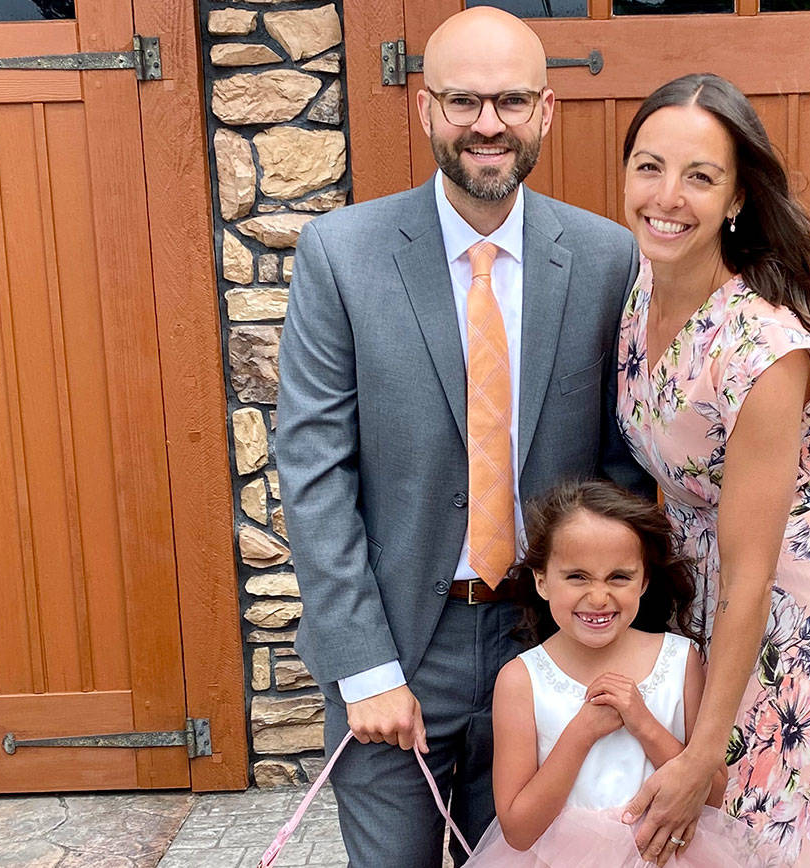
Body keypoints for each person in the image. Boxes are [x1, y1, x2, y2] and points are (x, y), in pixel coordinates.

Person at [275, 8, 649, 866]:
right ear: (425, 109)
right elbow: (313, 468)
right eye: (465, 101)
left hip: (544, 639)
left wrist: (605, 633)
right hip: (403, 642)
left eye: (512, 101)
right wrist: (363, 666)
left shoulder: (605, 259)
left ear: (547, 111)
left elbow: (621, 471)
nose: (489, 123)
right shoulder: (341, 254)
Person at [612, 73, 810, 866]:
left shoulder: (763, 350)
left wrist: (704, 750)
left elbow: (751, 576)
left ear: (738, 198)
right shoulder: (643, 286)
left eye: (700, 176)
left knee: (772, 837)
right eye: (649, 166)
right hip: (697, 598)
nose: (667, 196)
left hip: (785, 618)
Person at [468, 480, 775, 867]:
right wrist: (582, 732)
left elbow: (711, 794)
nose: (598, 597)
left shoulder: (680, 661)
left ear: (644, 581)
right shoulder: (521, 679)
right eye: (577, 577)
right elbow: (518, 829)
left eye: (619, 577)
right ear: (542, 581)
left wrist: (643, 723)